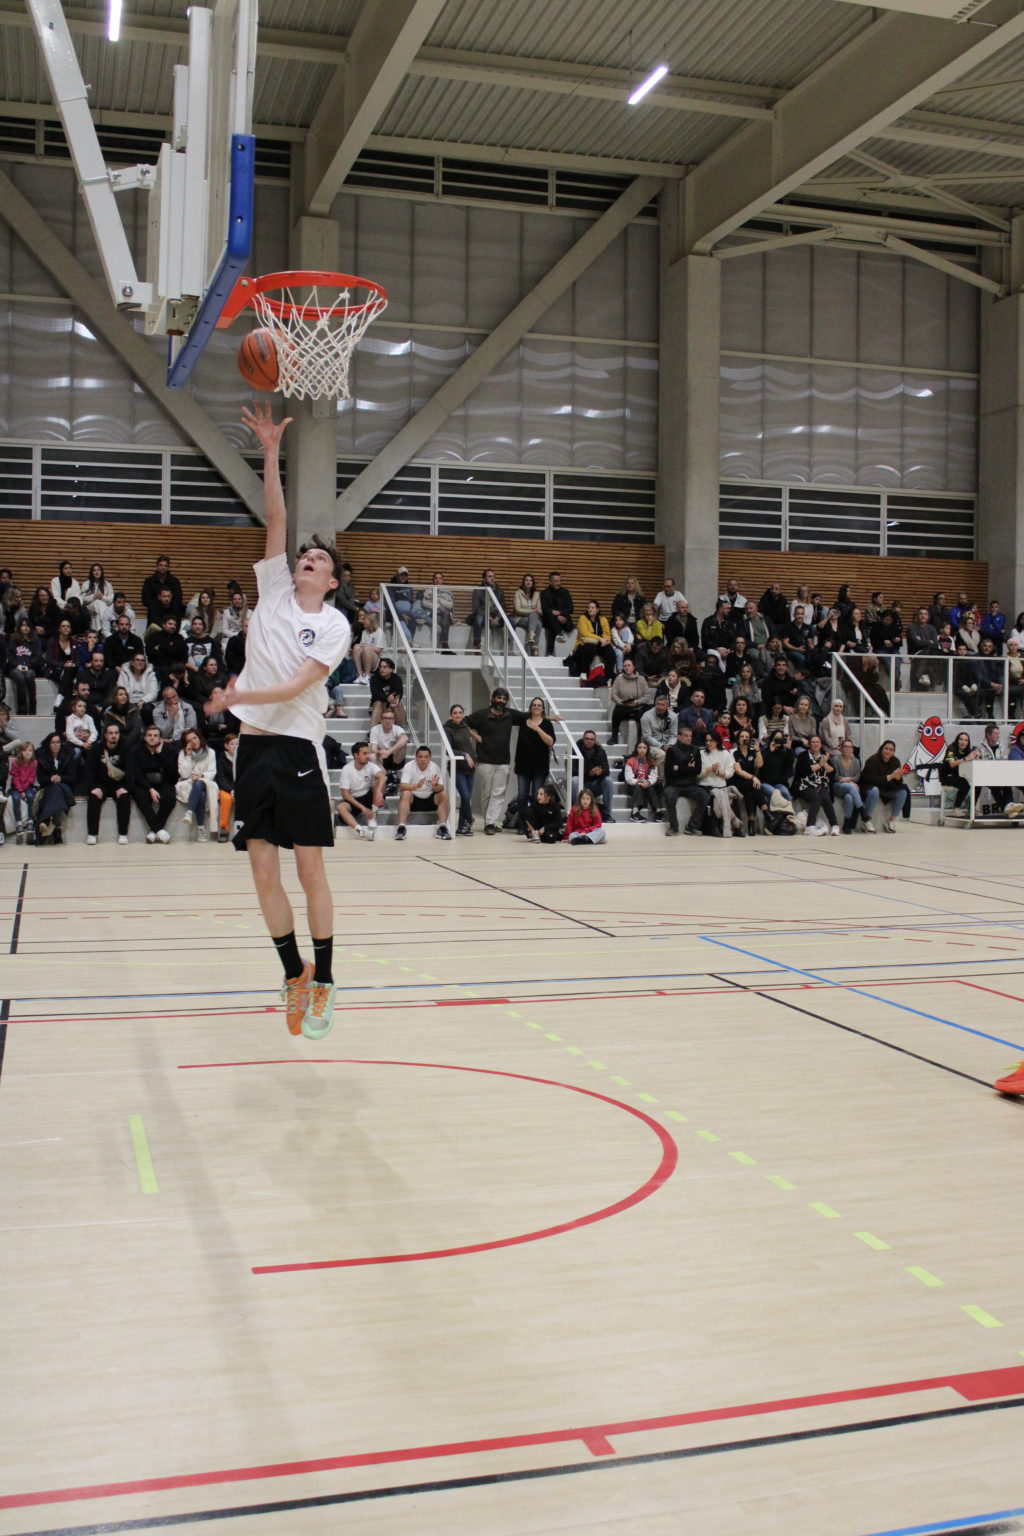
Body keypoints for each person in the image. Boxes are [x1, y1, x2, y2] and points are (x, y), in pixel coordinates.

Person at [202, 403, 352, 1042]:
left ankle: (327, 982)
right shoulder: (271, 594)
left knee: (309, 871)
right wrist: (268, 451)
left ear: (332, 581)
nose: (307, 560)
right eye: (304, 557)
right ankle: (294, 973)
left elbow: (294, 688)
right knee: (262, 872)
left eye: (318, 560)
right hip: (254, 753)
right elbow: (277, 518)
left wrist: (236, 695)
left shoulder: (335, 625)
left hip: (296, 751)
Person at [464, 688, 531, 834]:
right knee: (486, 793)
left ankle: (490, 823)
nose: (501, 701)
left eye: (504, 699)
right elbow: (464, 722)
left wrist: (552, 718)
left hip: (503, 762)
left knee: (499, 793)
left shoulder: (510, 715)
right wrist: (475, 736)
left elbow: (531, 716)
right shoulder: (482, 714)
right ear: (492, 699)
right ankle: (488, 822)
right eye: (498, 698)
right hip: (485, 761)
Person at [82, 720, 133, 844]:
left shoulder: (126, 748)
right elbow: (88, 770)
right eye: (111, 733)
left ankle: (123, 834)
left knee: (124, 797)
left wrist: (126, 787)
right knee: (93, 798)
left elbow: (132, 770)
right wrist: (92, 787)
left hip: (119, 783)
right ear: (105, 735)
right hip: (101, 783)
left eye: (116, 733)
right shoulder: (96, 748)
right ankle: (92, 834)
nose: (114, 735)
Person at [132, 722, 179, 843]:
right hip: (144, 784)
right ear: (145, 737)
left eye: (155, 735)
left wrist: (160, 754)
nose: (152, 738)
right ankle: (159, 830)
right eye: (149, 735)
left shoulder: (168, 750)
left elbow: (172, 774)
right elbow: (137, 774)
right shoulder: (136, 751)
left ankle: (154, 831)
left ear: (160, 738)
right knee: (141, 797)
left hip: (163, 782)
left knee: (170, 797)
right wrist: (150, 789)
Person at [514, 697, 556, 824]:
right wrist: (516, 762)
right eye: (534, 705)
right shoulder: (524, 722)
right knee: (522, 795)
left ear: (543, 709)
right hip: (523, 765)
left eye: (539, 705)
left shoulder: (547, 724)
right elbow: (519, 744)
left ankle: (534, 823)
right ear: (531, 707)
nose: (536, 707)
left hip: (540, 766)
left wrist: (538, 729)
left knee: (537, 795)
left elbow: (550, 741)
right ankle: (522, 824)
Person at [395, 746, 452, 840]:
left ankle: (442, 828)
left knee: (444, 794)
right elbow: (402, 786)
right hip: (413, 800)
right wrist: (417, 786)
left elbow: (441, 787)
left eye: (426, 757)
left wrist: (434, 785)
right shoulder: (409, 766)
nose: (423, 759)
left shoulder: (435, 767)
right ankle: (401, 828)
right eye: (420, 756)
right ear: (416, 757)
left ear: (430, 758)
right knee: (405, 793)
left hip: (430, 799)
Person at [663, 724, 708, 836]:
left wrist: (678, 767)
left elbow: (697, 770)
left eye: (690, 736)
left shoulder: (695, 750)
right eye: (686, 736)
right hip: (674, 784)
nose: (689, 738)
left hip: (690, 784)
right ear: (679, 737)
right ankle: (674, 828)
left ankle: (692, 827)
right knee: (669, 796)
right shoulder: (671, 751)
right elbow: (669, 773)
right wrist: (688, 768)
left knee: (705, 796)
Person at [33, 730, 78, 844]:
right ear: (48, 744)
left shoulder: (68, 755)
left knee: (57, 789)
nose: (56, 745)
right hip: (48, 787)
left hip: (65, 786)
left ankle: (46, 820)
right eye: (53, 742)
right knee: (55, 791)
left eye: (58, 742)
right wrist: (51, 779)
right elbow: (41, 779)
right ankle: (57, 829)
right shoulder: (42, 757)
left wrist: (60, 778)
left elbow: (73, 777)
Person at [174, 727, 218, 842]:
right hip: (189, 784)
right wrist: (188, 756)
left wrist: (201, 775)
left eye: (194, 738)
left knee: (199, 783)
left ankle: (189, 812)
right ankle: (200, 829)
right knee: (201, 795)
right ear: (186, 743)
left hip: (206, 782)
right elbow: (184, 774)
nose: (193, 741)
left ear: (199, 738)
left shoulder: (210, 752)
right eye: (189, 740)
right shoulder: (183, 753)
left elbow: (212, 771)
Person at [336, 741, 385, 840]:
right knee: (340, 807)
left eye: (368, 753)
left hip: (368, 797)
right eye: (364, 753)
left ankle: (372, 816)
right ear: (356, 755)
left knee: (379, 781)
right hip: (354, 800)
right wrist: (363, 808)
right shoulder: (347, 769)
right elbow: (345, 794)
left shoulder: (370, 765)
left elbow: (383, 776)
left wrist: (379, 792)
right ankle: (360, 830)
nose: (368, 756)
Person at [444, 702, 479, 836]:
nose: (458, 715)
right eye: (455, 713)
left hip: (470, 768)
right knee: (465, 796)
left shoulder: (465, 726)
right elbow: (449, 750)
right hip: (457, 768)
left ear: (463, 714)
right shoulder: (447, 729)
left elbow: (468, 745)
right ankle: (470, 819)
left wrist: (473, 757)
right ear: (450, 715)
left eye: (460, 712)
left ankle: (462, 827)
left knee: (466, 799)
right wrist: (465, 755)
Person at [792, 734, 839, 836]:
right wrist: (819, 764)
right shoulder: (803, 755)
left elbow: (832, 772)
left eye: (818, 742)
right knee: (816, 798)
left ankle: (834, 825)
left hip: (821, 785)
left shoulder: (824, 755)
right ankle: (810, 826)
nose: (815, 744)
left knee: (826, 799)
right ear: (809, 744)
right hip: (805, 785)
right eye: (813, 742)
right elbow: (803, 771)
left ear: (821, 744)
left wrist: (824, 763)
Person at [860, 740, 909, 831]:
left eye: (891, 750)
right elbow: (873, 780)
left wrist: (898, 777)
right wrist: (890, 777)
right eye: (886, 748)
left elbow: (899, 782)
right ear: (881, 749)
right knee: (875, 790)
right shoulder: (872, 760)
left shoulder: (895, 761)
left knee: (903, 792)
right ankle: (866, 820)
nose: (888, 751)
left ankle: (891, 820)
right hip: (870, 786)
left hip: (886, 788)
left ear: (893, 752)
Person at [608, 657, 651, 749]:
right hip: (624, 706)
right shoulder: (619, 679)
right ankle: (614, 736)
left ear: (634, 667)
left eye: (629, 665)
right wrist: (622, 702)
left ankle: (640, 741)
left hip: (638, 707)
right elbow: (613, 695)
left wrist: (637, 702)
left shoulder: (641, 679)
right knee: (617, 711)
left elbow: (647, 695)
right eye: (625, 666)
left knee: (644, 717)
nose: (627, 668)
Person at [573, 600, 615, 685]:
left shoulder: (603, 620)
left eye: (592, 607)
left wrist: (605, 641)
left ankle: (609, 676)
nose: (590, 609)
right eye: (589, 607)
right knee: (590, 647)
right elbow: (584, 633)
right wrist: (599, 639)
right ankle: (584, 672)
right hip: (583, 645)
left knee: (610, 651)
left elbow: (607, 635)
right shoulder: (583, 618)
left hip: (599, 645)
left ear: (597, 609)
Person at [575, 729, 614, 820]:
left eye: (591, 739)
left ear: (595, 740)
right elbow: (573, 771)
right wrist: (589, 773)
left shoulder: (601, 751)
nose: (589, 741)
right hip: (581, 784)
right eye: (587, 738)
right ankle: (575, 811)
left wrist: (600, 772)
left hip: (595, 784)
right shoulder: (575, 751)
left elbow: (606, 771)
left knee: (608, 780)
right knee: (574, 780)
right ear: (583, 739)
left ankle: (607, 813)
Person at [939, 731, 978, 819]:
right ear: (957, 740)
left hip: (960, 775)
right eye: (961, 739)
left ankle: (972, 808)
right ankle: (956, 808)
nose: (963, 742)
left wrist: (976, 756)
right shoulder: (951, 749)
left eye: (966, 740)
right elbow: (952, 764)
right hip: (947, 776)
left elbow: (972, 761)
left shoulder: (968, 750)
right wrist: (966, 758)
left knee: (977, 783)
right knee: (965, 784)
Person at [731, 729, 763, 836]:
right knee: (754, 786)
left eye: (747, 737)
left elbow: (759, 765)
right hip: (737, 780)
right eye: (742, 737)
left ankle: (751, 824)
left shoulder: (753, 752)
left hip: (749, 782)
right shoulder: (734, 752)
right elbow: (738, 771)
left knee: (751, 791)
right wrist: (753, 777)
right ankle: (765, 813)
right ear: (738, 739)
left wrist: (758, 750)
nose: (744, 739)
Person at [7, 618, 42, 713]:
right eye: (23, 625)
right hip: (15, 668)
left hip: (30, 667)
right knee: (20, 678)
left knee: (29, 676)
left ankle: (32, 706)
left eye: (28, 625)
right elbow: (10, 656)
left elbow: (37, 657)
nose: (26, 628)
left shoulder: (36, 641)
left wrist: (28, 666)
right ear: (19, 627)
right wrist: (17, 665)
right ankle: (22, 708)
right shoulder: (13, 640)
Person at [412, 571, 454, 650]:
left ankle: (444, 643)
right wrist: (439, 607)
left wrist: (438, 599)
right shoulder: (429, 590)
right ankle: (444, 644)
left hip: (445, 615)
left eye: (440, 578)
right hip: (433, 614)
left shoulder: (447, 592)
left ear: (442, 580)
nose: (438, 580)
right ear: (433, 580)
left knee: (446, 616)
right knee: (445, 616)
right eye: (436, 578)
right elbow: (425, 603)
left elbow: (450, 605)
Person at [368, 708, 409, 789]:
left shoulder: (398, 729)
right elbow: (373, 748)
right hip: (382, 758)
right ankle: (386, 775)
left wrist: (389, 752)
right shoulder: (375, 729)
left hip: (396, 758)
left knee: (403, 743)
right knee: (372, 755)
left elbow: (405, 738)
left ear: (394, 720)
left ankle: (392, 772)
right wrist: (380, 752)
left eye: (390, 718)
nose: (388, 721)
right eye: (385, 718)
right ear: (381, 720)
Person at [623, 739, 660, 822]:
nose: (642, 750)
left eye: (644, 748)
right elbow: (628, 778)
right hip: (633, 786)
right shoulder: (631, 761)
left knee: (650, 788)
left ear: (647, 749)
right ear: (636, 749)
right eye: (639, 747)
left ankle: (657, 811)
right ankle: (635, 812)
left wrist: (648, 782)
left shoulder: (651, 762)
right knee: (637, 787)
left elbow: (654, 776)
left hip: (646, 785)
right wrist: (638, 782)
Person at [141, 556, 184, 626]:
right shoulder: (149, 581)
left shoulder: (174, 581)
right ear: (157, 566)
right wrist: (158, 605)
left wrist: (167, 604)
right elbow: (145, 600)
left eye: (165, 566)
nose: (163, 567)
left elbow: (178, 599)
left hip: (171, 613)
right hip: (154, 613)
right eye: (161, 565)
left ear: (168, 567)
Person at [9, 741, 38, 841]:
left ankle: (30, 821)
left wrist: (25, 789)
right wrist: (21, 791)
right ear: (20, 752)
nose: (27, 752)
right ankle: (19, 823)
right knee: (16, 798)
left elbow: (31, 778)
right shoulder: (16, 762)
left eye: (30, 750)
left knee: (31, 796)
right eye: (25, 750)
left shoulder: (34, 763)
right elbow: (15, 778)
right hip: (16, 787)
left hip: (28, 786)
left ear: (33, 752)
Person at [639, 695, 677, 769]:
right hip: (650, 746)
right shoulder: (646, 716)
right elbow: (647, 737)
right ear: (655, 704)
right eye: (658, 704)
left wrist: (669, 746)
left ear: (667, 706)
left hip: (668, 744)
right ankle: (657, 775)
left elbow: (673, 735)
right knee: (662, 754)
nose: (659, 707)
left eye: (662, 705)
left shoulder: (673, 716)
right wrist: (661, 746)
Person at [540, 571, 574, 656]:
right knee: (550, 615)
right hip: (549, 620)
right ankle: (559, 634)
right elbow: (544, 609)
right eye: (556, 581)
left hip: (563, 620)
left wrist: (560, 614)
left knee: (551, 624)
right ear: (550, 582)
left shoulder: (565, 592)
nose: (558, 583)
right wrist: (555, 615)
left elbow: (571, 609)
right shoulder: (544, 593)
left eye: (559, 581)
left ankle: (549, 653)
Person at [470, 568, 506, 648]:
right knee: (478, 619)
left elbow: (502, 607)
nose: (492, 578)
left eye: (493, 576)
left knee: (511, 621)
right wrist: (488, 618)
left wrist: (498, 617)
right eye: (490, 576)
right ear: (484, 579)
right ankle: (477, 645)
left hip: (495, 616)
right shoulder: (478, 590)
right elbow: (475, 608)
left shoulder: (499, 591)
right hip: (483, 615)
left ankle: (509, 646)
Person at [368, 655, 406, 726]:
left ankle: (401, 729)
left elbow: (399, 692)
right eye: (380, 667)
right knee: (379, 702)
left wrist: (397, 698)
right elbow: (376, 695)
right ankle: (372, 729)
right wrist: (387, 699)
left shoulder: (396, 678)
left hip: (392, 705)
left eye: (385, 667)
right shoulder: (374, 679)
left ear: (391, 669)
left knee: (398, 703)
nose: (381, 669)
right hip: (377, 706)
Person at [513, 574, 543, 654]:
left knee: (538, 623)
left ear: (533, 583)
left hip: (533, 618)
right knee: (536, 620)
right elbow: (518, 610)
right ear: (523, 582)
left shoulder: (536, 594)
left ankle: (531, 636)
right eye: (526, 580)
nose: (528, 582)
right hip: (520, 618)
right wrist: (532, 610)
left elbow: (540, 610)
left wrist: (535, 611)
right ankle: (535, 647)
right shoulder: (518, 593)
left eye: (530, 580)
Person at [351, 611, 383, 680]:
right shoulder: (364, 632)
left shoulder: (379, 631)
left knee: (366, 649)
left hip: (376, 661)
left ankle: (367, 675)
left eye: (365, 619)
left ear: (371, 621)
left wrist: (366, 647)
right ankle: (359, 674)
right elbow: (361, 646)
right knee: (356, 647)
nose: (363, 621)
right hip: (364, 657)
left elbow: (378, 650)